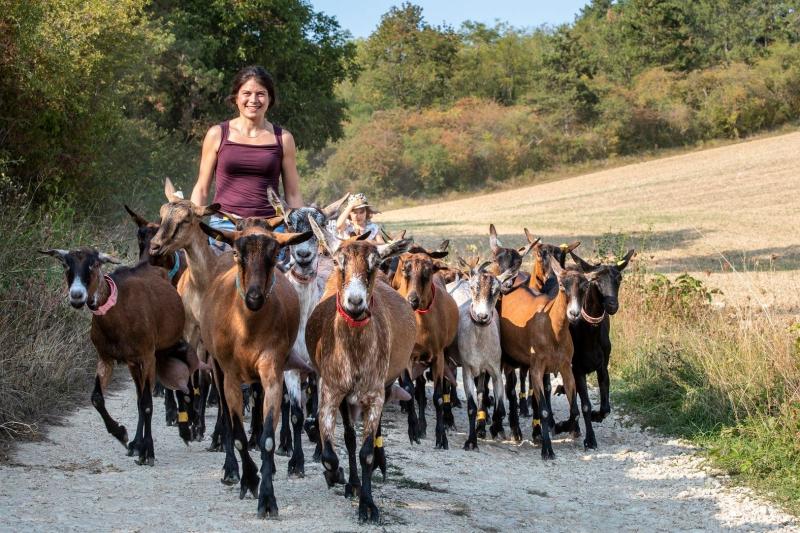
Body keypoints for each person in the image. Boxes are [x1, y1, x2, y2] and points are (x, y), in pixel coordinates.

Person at [189, 65, 303, 251]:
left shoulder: (283, 138)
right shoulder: (217, 134)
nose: (253, 100)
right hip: (225, 227)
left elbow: (293, 193)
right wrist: (191, 225)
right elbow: (202, 188)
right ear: (236, 97)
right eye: (246, 93)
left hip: (270, 227)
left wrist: (299, 233)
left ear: (270, 99)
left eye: (260, 94)